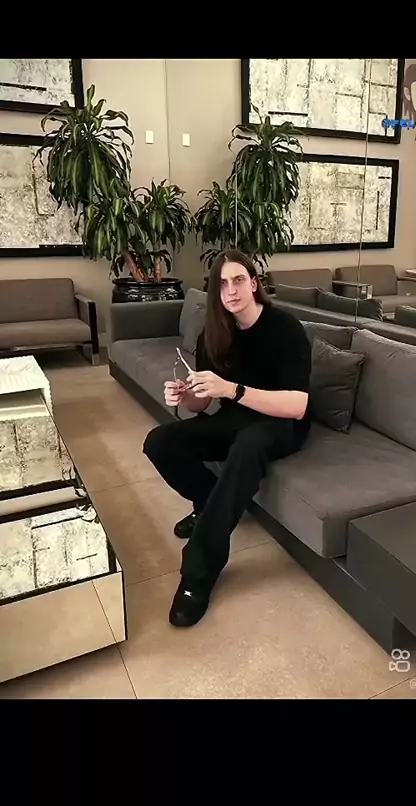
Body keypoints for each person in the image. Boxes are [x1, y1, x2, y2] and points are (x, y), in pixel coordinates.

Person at [143, 249, 312, 628]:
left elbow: (298, 405)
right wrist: (185, 396)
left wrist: (233, 390)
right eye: (222, 284)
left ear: (254, 284)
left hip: (280, 422)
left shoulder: (284, 327)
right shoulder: (214, 335)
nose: (231, 290)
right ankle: (207, 503)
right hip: (236, 418)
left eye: (238, 280)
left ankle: (198, 573)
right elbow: (202, 404)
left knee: (248, 445)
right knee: (160, 442)